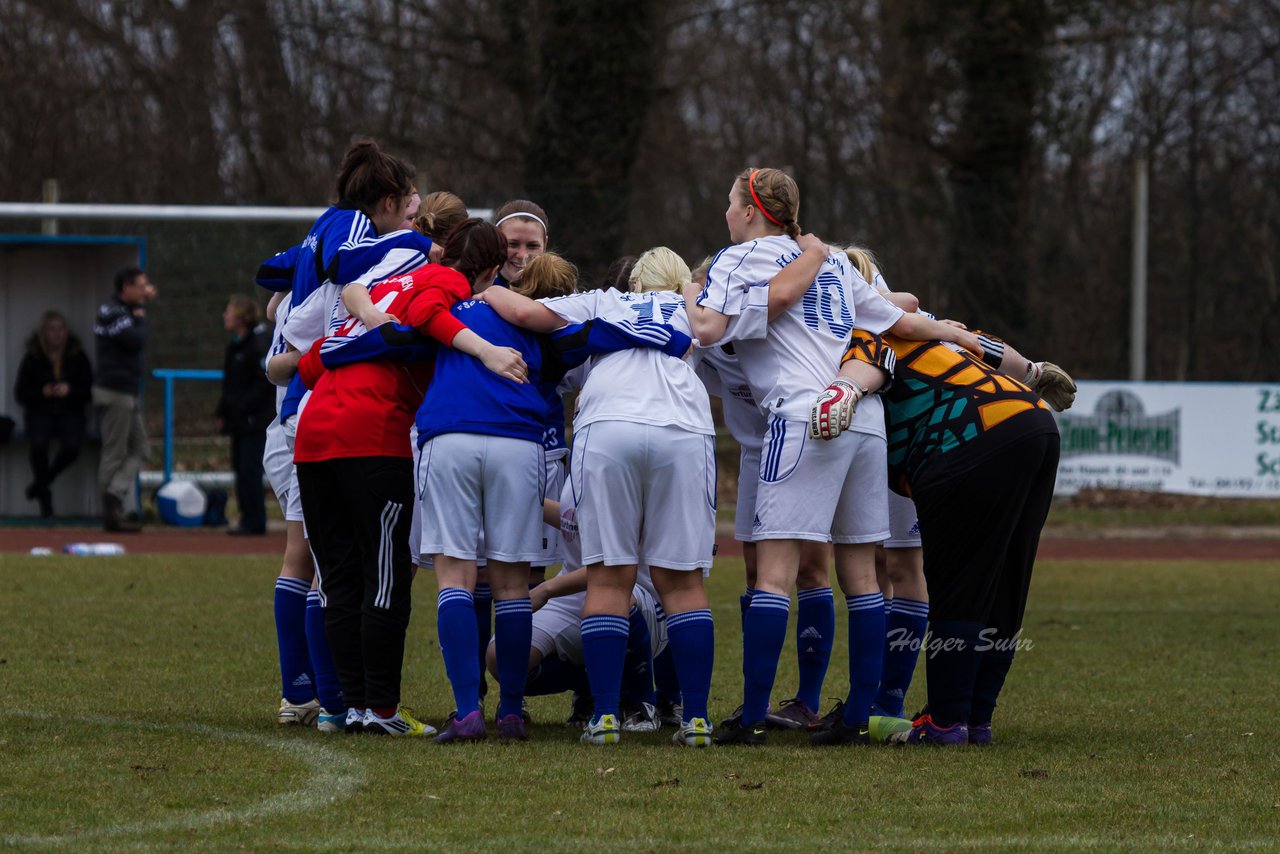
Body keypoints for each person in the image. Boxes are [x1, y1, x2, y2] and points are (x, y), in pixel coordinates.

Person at [684, 167, 981, 746]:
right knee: (863, 574)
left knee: (773, 575)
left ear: (751, 211)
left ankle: (748, 720)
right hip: (865, 419)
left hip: (803, 418)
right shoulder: (837, 262)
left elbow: (707, 330)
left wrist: (691, 293)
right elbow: (900, 320)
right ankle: (860, 715)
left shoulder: (736, 258)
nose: (725, 213)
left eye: (729, 203)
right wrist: (967, 339)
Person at [481, 246, 719, 748]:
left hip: (608, 426)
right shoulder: (698, 307)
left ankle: (605, 717)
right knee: (682, 583)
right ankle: (695, 720)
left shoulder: (605, 300)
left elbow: (523, 312)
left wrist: (483, 288)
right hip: (683, 429)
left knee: (610, 577)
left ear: (633, 283)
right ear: (681, 284)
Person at [811, 322, 1064, 746]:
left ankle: (946, 722)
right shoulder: (928, 326)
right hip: (1036, 422)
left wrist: (843, 391)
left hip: (966, 436)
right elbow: (988, 346)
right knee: (1006, 582)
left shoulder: (854, 336)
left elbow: (864, 366)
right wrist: (1033, 371)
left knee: (957, 585)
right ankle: (976, 718)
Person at [93, 267, 156, 533]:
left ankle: (114, 494)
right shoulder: (113, 311)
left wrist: (138, 311)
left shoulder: (126, 311)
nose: (146, 291)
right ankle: (109, 512)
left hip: (127, 391)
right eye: (140, 286)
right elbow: (135, 341)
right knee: (114, 450)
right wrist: (140, 314)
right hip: (114, 391)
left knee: (141, 449)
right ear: (125, 288)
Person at [14, 310, 93, 518]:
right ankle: (45, 502)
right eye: (51, 329)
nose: (57, 334)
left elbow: (89, 390)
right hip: (41, 411)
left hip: (70, 412)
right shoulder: (33, 358)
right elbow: (20, 393)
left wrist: (70, 390)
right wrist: (42, 392)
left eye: (60, 329)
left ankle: (42, 483)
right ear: (43, 333)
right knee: (38, 443)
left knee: (72, 447)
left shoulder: (77, 356)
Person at [215, 296, 275, 535]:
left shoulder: (257, 344)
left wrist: (243, 407)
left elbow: (262, 384)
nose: (225, 315)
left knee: (251, 470)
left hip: (254, 420)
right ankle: (246, 517)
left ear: (241, 316)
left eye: (229, 311)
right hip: (238, 421)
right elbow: (229, 384)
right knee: (240, 469)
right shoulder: (235, 345)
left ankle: (256, 520)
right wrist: (223, 411)